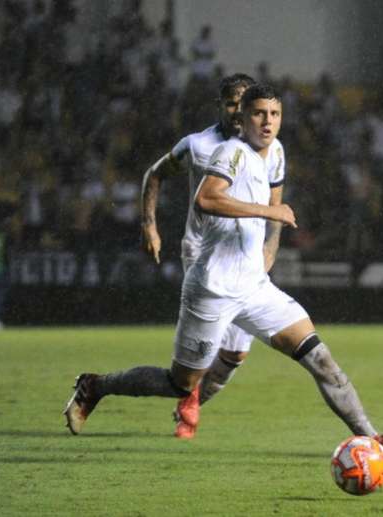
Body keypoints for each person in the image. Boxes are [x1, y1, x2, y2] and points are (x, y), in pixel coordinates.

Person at [64, 83, 383, 456]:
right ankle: (96, 386)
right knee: (180, 383)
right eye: (258, 114)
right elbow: (206, 198)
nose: (267, 122)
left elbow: (270, 200)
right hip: (213, 288)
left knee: (320, 359)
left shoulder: (274, 152)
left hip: (254, 287)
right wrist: (269, 212)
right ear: (242, 117)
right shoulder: (231, 152)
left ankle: (373, 438)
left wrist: (271, 243)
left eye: (274, 115)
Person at [139, 73, 259, 439]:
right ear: (220, 106)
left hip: (245, 255)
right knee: (208, 342)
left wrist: (270, 247)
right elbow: (155, 174)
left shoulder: (266, 146)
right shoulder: (197, 144)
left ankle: (190, 400)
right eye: (230, 103)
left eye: (244, 104)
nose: (237, 111)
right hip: (203, 250)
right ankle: (188, 405)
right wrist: (150, 225)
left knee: (235, 354)